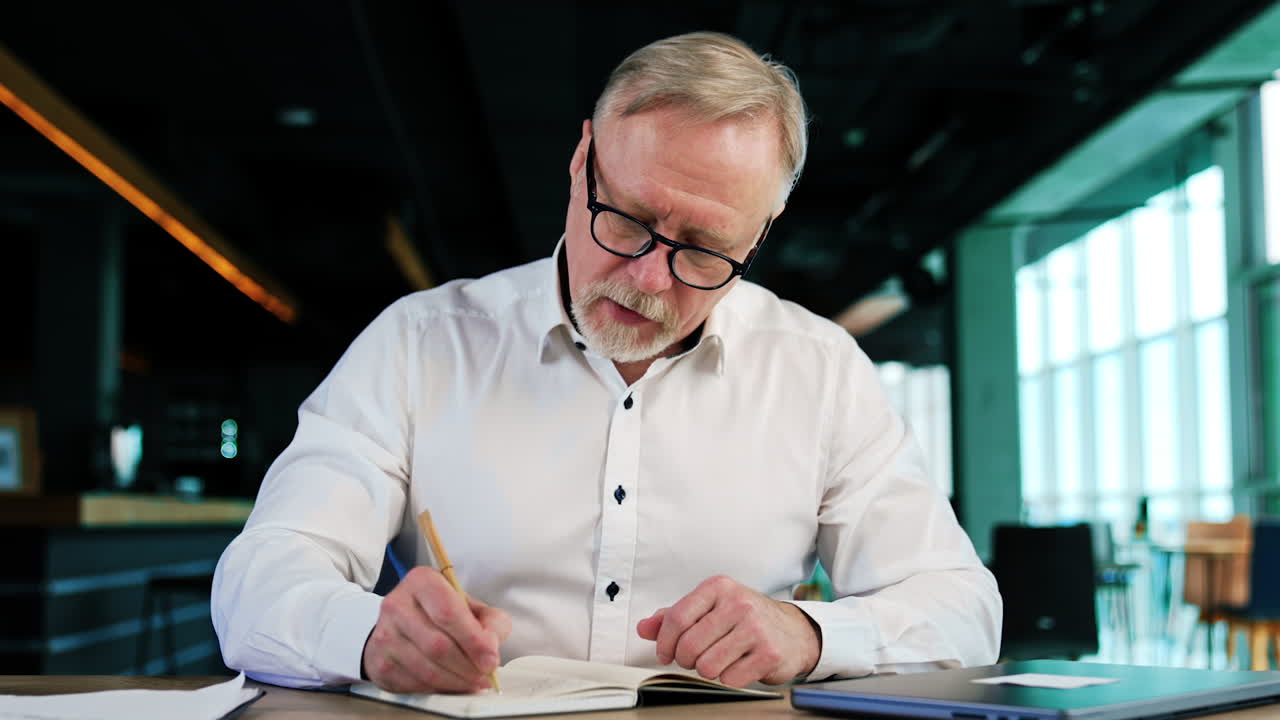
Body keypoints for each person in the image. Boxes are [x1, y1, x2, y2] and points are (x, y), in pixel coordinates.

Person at [212, 30, 1001, 694]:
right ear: (582, 156)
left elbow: (966, 610)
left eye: (705, 250)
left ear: (759, 238)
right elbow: (259, 580)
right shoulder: (420, 344)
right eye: (626, 220)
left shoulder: (820, 370)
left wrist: (809, 633)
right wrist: (367, 633)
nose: (651, 279)